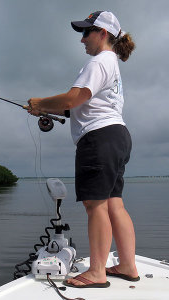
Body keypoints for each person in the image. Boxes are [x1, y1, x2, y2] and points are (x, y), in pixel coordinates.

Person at [27, 11, 138, 288]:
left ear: (103, 34)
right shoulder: (111, 64)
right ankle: (127, 264)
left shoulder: (99, 61)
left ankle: (97, 272)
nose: (82, 39)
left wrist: (40, 101)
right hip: (117, 136)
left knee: (95, 205)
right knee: (114, 203)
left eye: (86, 32)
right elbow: (81, 105)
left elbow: (77, 97)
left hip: (99, 139)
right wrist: (46, 108)